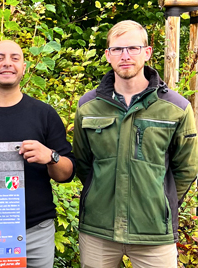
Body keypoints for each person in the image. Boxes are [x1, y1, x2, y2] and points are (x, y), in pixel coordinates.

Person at [73, 20, 198, 268]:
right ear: (108, 55)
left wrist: (159, 203)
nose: (125, 55)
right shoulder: (88, 106)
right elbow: (84, 164)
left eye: (133, 48)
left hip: (154, 232)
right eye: (117, 49)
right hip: (99, 230)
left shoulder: (176, 108)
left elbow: (187, 169)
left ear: (147, 52)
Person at [0, 40, 75, 267]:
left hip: (37, 230)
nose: (7, 63)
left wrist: (51, 156)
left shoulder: (44, 114)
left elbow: (66, 173)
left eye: (14, 58)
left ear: (24, 67)